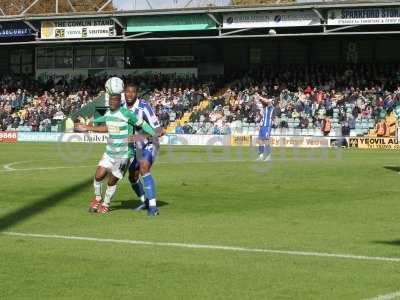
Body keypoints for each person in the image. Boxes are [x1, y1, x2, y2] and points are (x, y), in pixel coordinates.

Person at [75, 93, 156, 214]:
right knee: (98, 176)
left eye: (114, 100)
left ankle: (106, 204)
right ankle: (97, 198)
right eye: (110, 100)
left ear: (119, 102)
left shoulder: (127, 114)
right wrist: (86, 127)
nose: (111, 102)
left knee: (112, 181)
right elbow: (106, 126)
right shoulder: (108, 113)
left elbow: (143, 124)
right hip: (109, 152)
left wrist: (150, 134)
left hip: (124, 155)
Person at [124, 84, 163, 216]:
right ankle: (145, 201)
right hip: (135, 148)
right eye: (127, 92)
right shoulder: (122, 108)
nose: (129, 94)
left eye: (133, 92)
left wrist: (139, 136)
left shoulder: (144, 107)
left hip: (150, 144)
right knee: (132, 176)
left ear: (137, 94)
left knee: (144, 168)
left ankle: (153, 207)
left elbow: (159, 131)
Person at [255, 93, 274, 161]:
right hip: (262, 126)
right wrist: (259, 125)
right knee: (260, 140)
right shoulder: (264, 108)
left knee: (266, 140)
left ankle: (269, 156)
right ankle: (261, 155)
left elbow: (268, 101)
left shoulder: (271, 107)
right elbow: (262, 118)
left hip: (267, 126)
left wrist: (259, 97)